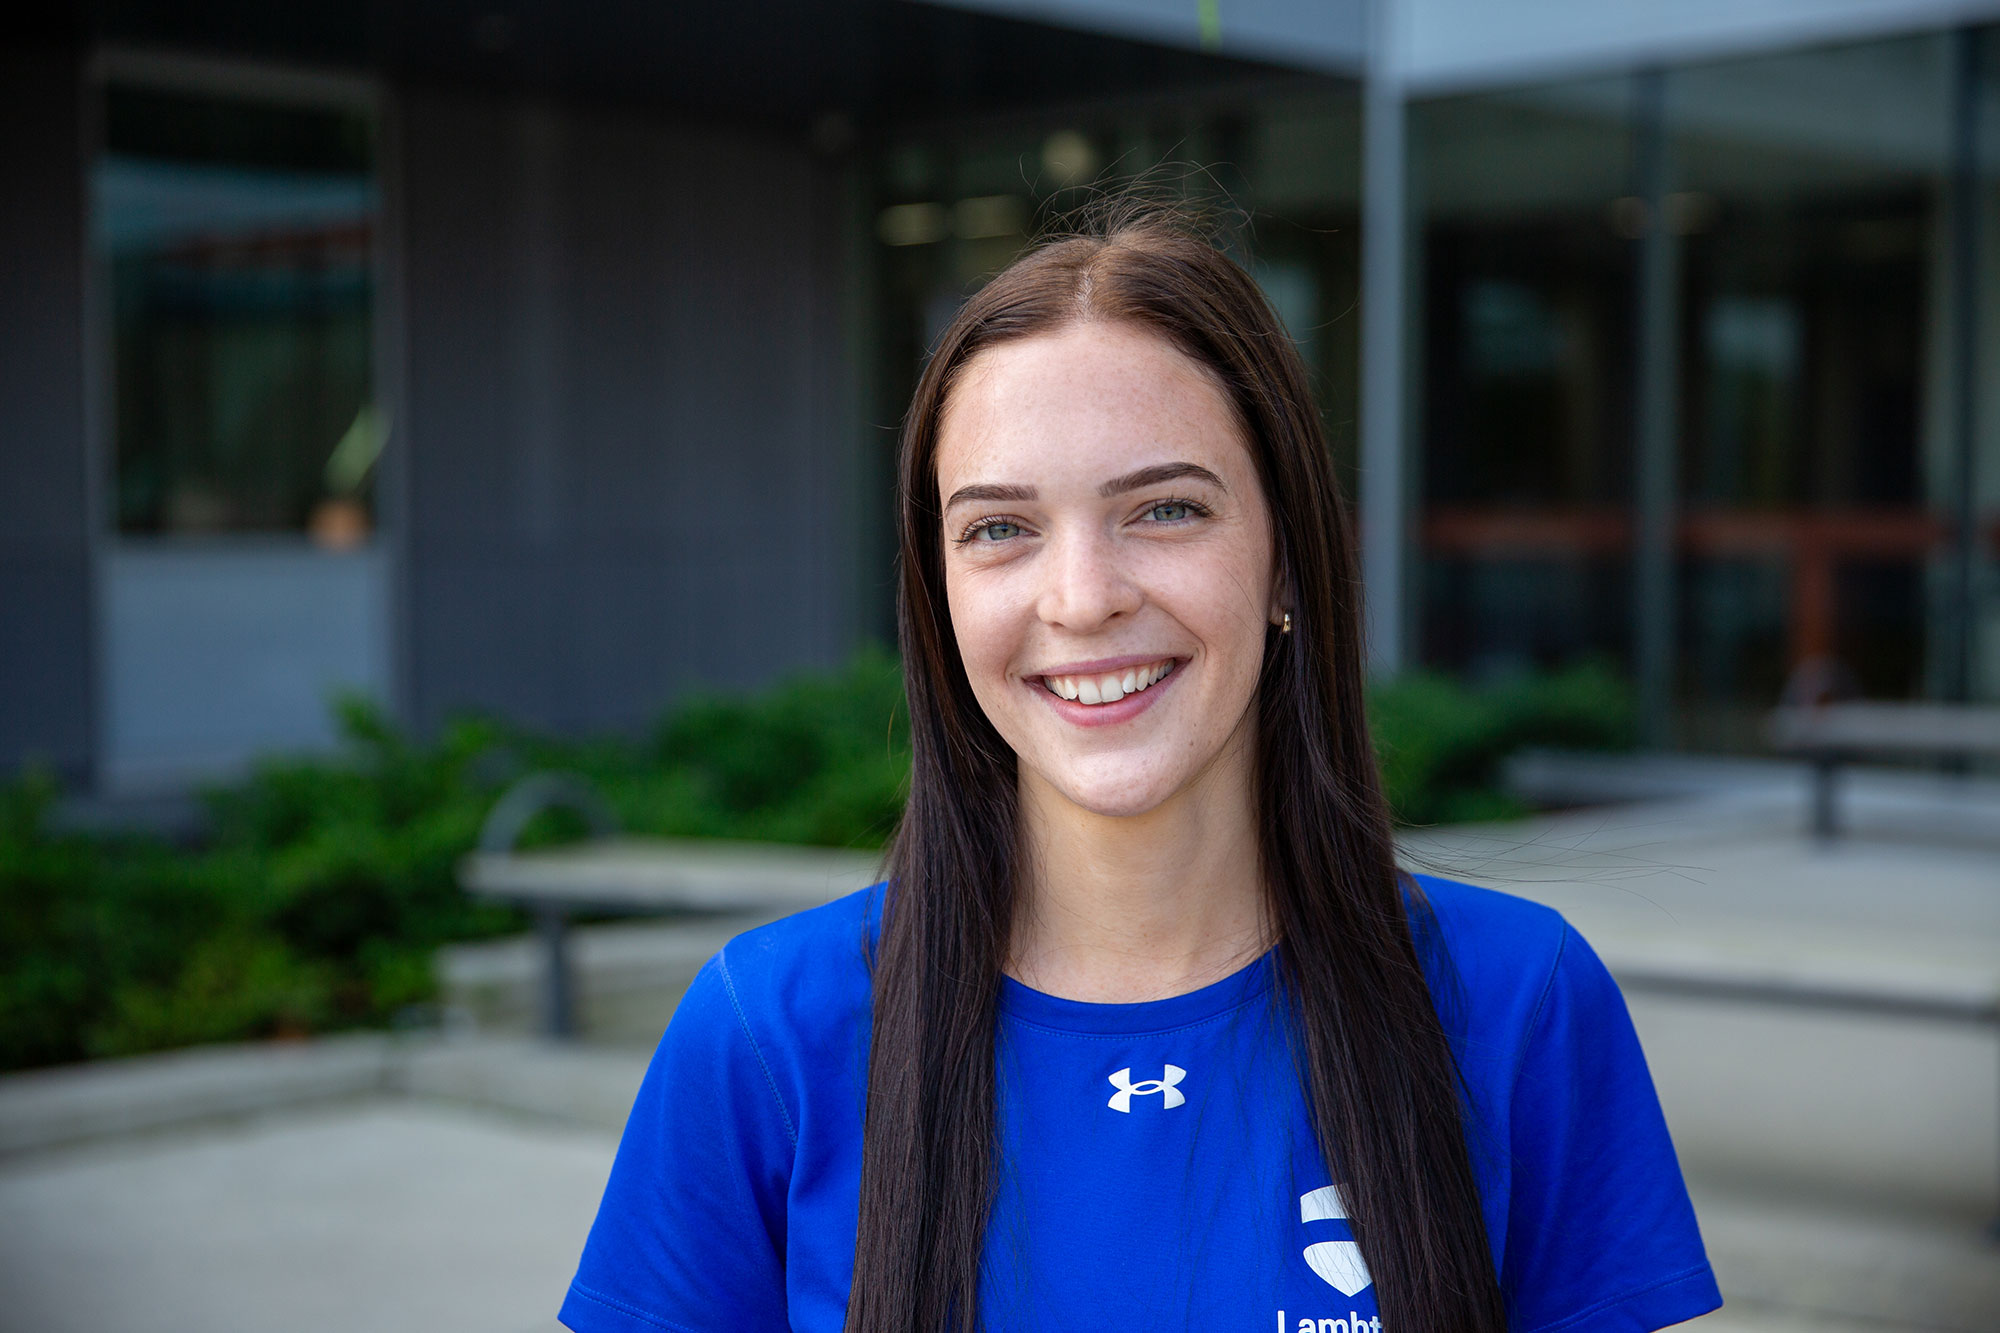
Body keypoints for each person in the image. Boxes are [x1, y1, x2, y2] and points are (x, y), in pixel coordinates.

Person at [558, 209, 1722, 1333]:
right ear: (940, 592)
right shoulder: (768, 1035)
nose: (1081, 597)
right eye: (999, 529)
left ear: (1282, 562)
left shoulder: (1515, 1006)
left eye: (1163, 508)